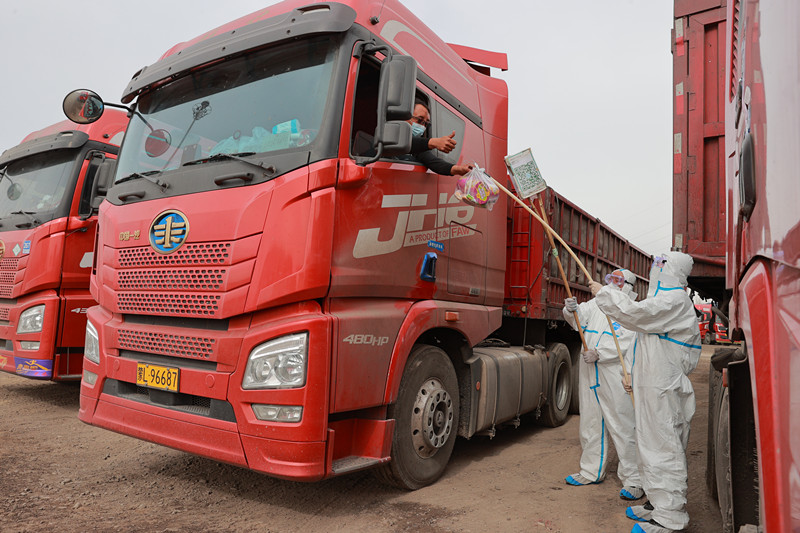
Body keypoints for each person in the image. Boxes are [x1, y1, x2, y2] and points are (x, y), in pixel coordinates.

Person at [590, 252, 702, 533]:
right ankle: (656, 503)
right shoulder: (663, 300)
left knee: (663, 447)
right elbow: (642, 342)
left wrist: (604, 293)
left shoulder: (674, 301)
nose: (655, 268)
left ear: (672, 269)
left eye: (661, 263)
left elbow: (636, 315)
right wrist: (630, 373)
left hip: (663, 387)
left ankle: (670, 516)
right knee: (649, 445)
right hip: (653, 386)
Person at [562, 268, 644, 502]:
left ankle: (635, 479)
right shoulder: (597, 303)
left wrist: (600, 353)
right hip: (590, 371)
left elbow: (626, 341)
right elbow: (578, 320)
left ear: (627, 286)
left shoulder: (629, 309)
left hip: (613, 373)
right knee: (590, 421)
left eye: (618, 280)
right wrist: (571, 310)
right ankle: (591, 471)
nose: (612, 283)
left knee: (622, 424)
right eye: (610, 278)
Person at [406, 100, 472, 176]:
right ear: (404, 116)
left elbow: (434, 162)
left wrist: (458, 169)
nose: (422, 127)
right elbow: (403, 142)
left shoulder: (419, 149)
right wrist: (433, 142)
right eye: (419, 120)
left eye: (426, 124)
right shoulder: (394, 136)